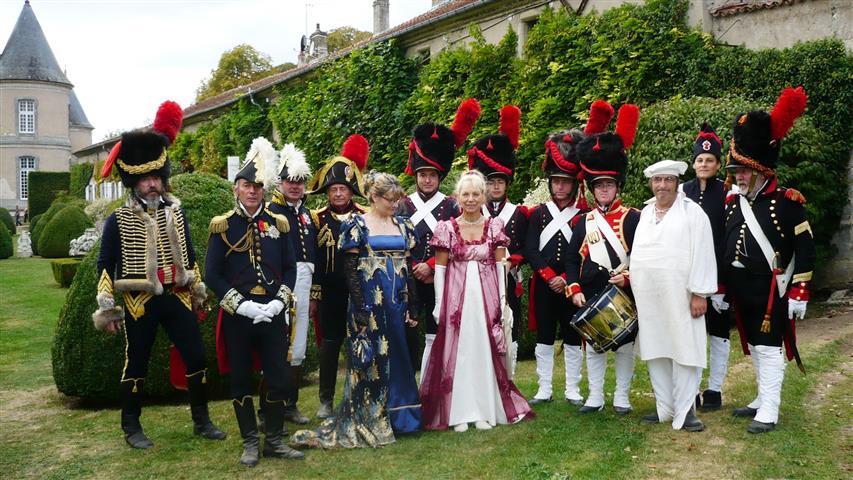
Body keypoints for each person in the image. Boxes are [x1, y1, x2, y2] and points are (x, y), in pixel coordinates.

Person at [92, 101, 225, 449]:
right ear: (134, 182)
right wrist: (107, 308)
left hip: (177, 295)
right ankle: (131, 427)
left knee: (196, 356)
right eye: (145, 179)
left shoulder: (177, 212)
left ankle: (202, 420)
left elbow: (190, 256)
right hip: (139, 300)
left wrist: (198, 290)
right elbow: (105, 264)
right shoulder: (118, 220)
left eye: (156, 178)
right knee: (136, 362)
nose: (152, 185)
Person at [291, 172, 422, 448]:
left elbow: (409, 268)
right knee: (372, 361)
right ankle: (373, 416)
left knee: (400, 355)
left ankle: (404, 418)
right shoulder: (356, 225)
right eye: (389, 199)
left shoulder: (404, 225)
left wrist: (413, 304)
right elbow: (350, 271)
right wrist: (361, 308)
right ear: (373, 197)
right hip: (369, 304)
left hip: (397, 303)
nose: (395, 204)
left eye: (397, 199)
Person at [206, 137, 303, 466]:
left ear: (264, 190)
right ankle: (250, 441)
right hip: (239, 315)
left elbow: (290, 268)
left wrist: (279, 302)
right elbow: (212, 274)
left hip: (272, 312)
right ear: (236, 188)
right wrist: (242, 305)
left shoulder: (279, 223)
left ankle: (273, 440)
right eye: (247, 186)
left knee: (278, 377)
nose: (252, 191)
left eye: (258, 186)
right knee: (240, 379)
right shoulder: (222, 225)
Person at [722, 87, 815, 434]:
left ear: (762, 171)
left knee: (770, 346)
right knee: (754, 346)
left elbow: (806, 249)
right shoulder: (734, 203)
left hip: (772, 290)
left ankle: (770, 410)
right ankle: (762, 398)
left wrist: (800, 291)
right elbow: (725, 247)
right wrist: (721, 288)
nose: (739, 176)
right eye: (737, 170)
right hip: (742, 289)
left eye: (745, 171)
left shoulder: (787, 203)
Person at [420, 170, 532, 431]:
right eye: (465, 194)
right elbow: (440, 269)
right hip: (456, 298)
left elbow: (502, 265)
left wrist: (503, 300)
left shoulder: (494, 227)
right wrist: (439, 303)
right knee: (458, 351)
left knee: (483, 349)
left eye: (475, 194)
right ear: (458, 197)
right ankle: (458, 412)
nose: (470, 199)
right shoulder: (446, 228)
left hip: (486, 297)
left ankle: (483, 409)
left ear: (483, 196)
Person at [525, 100, 613, 405]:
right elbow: (531, 249)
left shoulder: (584, 216)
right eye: (556, 182)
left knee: (574, 336)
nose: (560, 187)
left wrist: (566, 278)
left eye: (565, 182)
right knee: (544, 336)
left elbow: (585, 253)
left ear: (574, 185)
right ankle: (544, 388)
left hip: (573, 285)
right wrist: (550, 276)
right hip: (545, 284)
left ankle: (573, 389)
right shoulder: (539, 214)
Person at [565, 103, 641, 415]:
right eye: (599, 185)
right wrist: (574, 288)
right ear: (592, 189)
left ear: (617, 186)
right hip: (591, 290)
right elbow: (572, 260)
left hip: (623, 290)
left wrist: (629, 277)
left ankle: (622, 396)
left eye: (608, 184)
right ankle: (595, 396)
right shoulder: (583, 221)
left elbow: (642, 258)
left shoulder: (634, 217)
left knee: (625, 346)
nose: (604, 189)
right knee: (594, 347)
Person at [632, 160, 717, 432]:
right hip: (650, 296)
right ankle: (665, 407)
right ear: (651, 183)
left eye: (668, 180)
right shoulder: (646, 213)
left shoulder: (693, 212)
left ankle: (686, 409)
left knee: (685, 349)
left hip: (683, 295)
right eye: (658, 180)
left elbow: (703, 252)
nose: (663, 185)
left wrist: (700, 293)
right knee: (656, 349)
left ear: (677, 182)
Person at [398, 99, 479, 375]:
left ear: (439, 176)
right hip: (408, 277)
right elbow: (398, 243)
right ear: (416, 175)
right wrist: (413, 267)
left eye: (432, 175)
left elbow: (459, 242)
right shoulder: (403, 205)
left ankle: (433, 380)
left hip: (440, 276)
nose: (427, 180)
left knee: (437, 331)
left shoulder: (452, 206)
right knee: (407, 331)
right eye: (423, 174)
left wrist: (431, 266)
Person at [307, 135, 369, 419]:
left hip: (359, 292)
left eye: (343, 189)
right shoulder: (316, 218)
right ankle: (326, 400)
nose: (339, 194)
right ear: (327, 192)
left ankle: (359, 395)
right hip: (329, 293)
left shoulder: (366, 216)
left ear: (351, 191)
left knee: (360, 343)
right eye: (334, 190)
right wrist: (314, 295)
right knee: (330, 346)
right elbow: (313, 260)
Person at [467, 105, 528, 376]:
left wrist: (511, 262)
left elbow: (524, 245)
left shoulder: (519, 213)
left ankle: (508, 376)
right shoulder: (473, 213)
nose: (495, 187)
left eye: (500, 182)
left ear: (507, 183)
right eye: (491, 182)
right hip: (478, 278)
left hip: (507, 278)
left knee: (508, 326)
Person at [680, 123, 732, 411]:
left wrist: (723, 281)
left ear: (718, 164)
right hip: (688, 274)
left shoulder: (728, 192)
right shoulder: (682, 192)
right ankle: (693, 389)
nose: (704, 164)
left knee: (719, 332)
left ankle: (715, 388)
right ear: (693, 163)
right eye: (700, 159)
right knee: (693, 334)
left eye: (709, 160)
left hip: (720, 274)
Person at [267, 143, 315, 425]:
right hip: (280, 285)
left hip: (305, 286)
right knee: (278, 344)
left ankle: (291, 404)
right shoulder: (271, 211)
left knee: (298, 344)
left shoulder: (307, 213)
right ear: (280, 182)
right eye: (290, 181)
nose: (295, 186)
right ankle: (270, 407)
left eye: (299, 181)